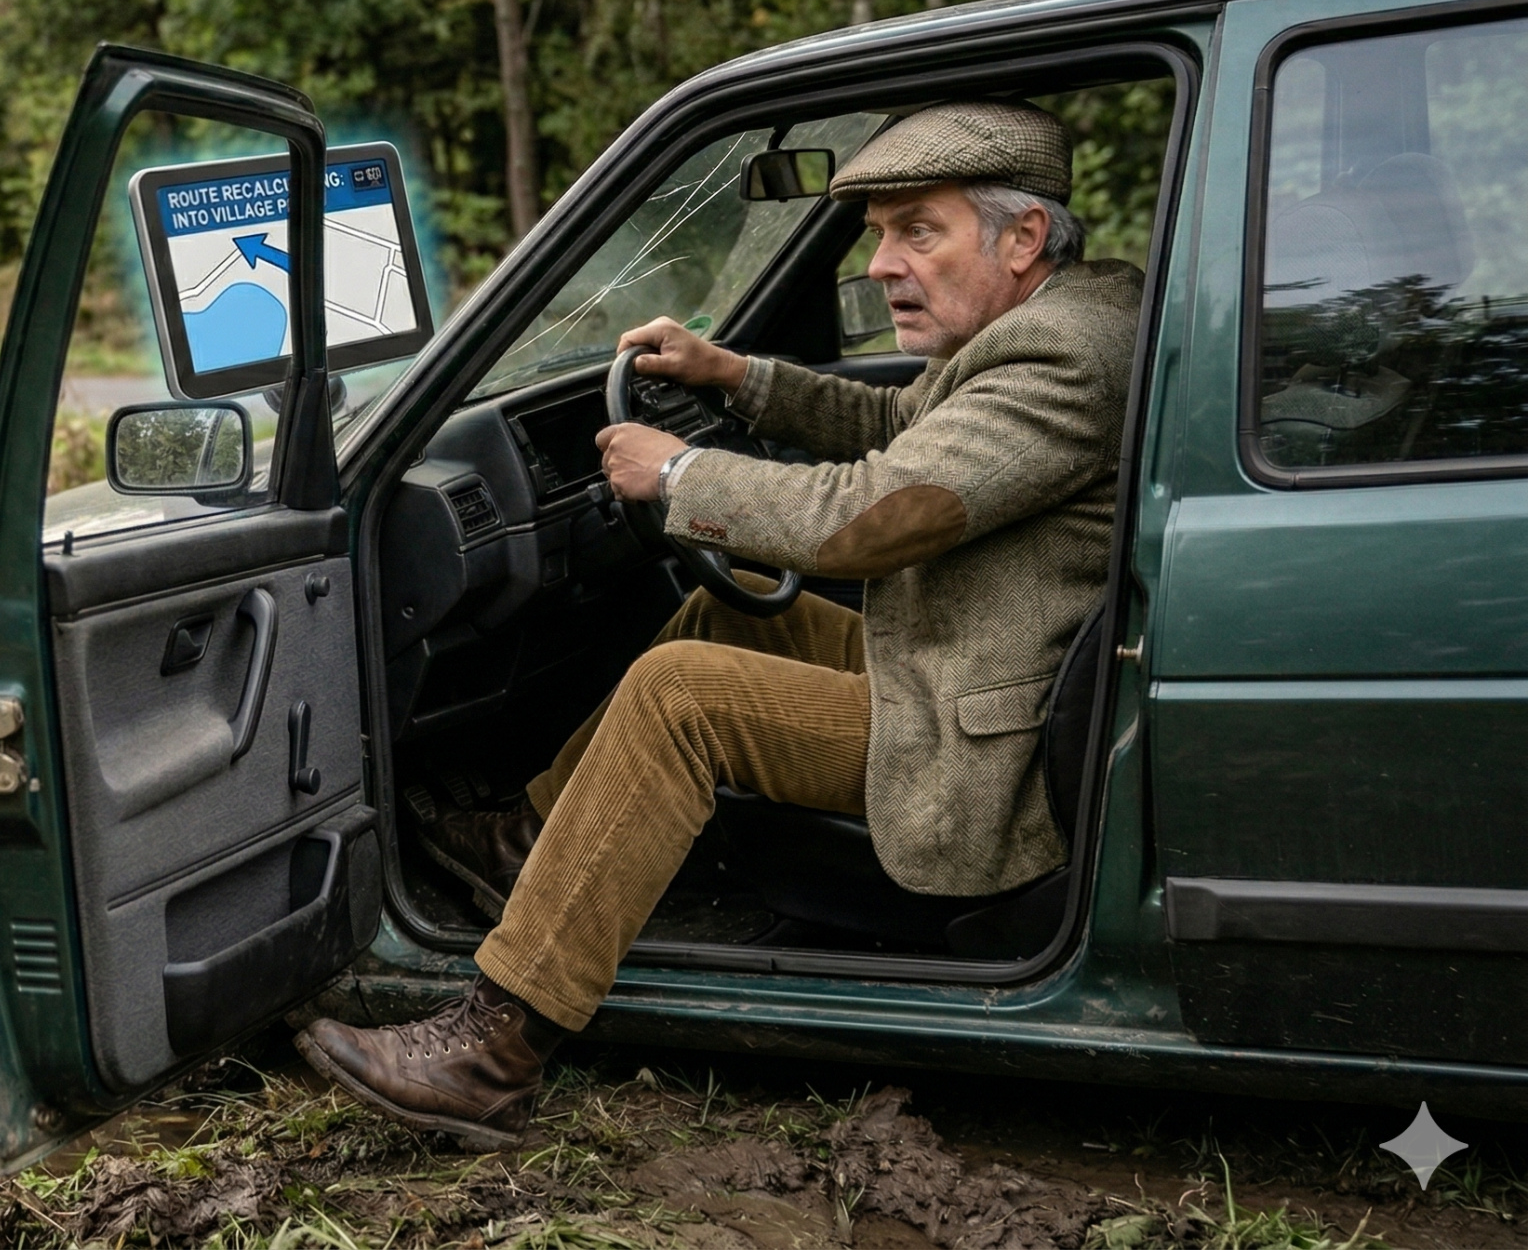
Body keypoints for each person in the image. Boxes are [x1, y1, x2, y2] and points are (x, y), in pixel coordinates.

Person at [295, 100, 1144, 1150]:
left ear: (1023, 238)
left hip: (981, 745)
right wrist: (737, 377)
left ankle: (491, 1052)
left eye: (917, 231)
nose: (881, 263)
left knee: (680, 695)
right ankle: (527, 849)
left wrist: (681, 473)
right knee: (724, 602)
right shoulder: (1062, 314)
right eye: (880, 233)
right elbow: (906, 425)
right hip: (967, 665)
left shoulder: (1057, 357)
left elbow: (870, 514)